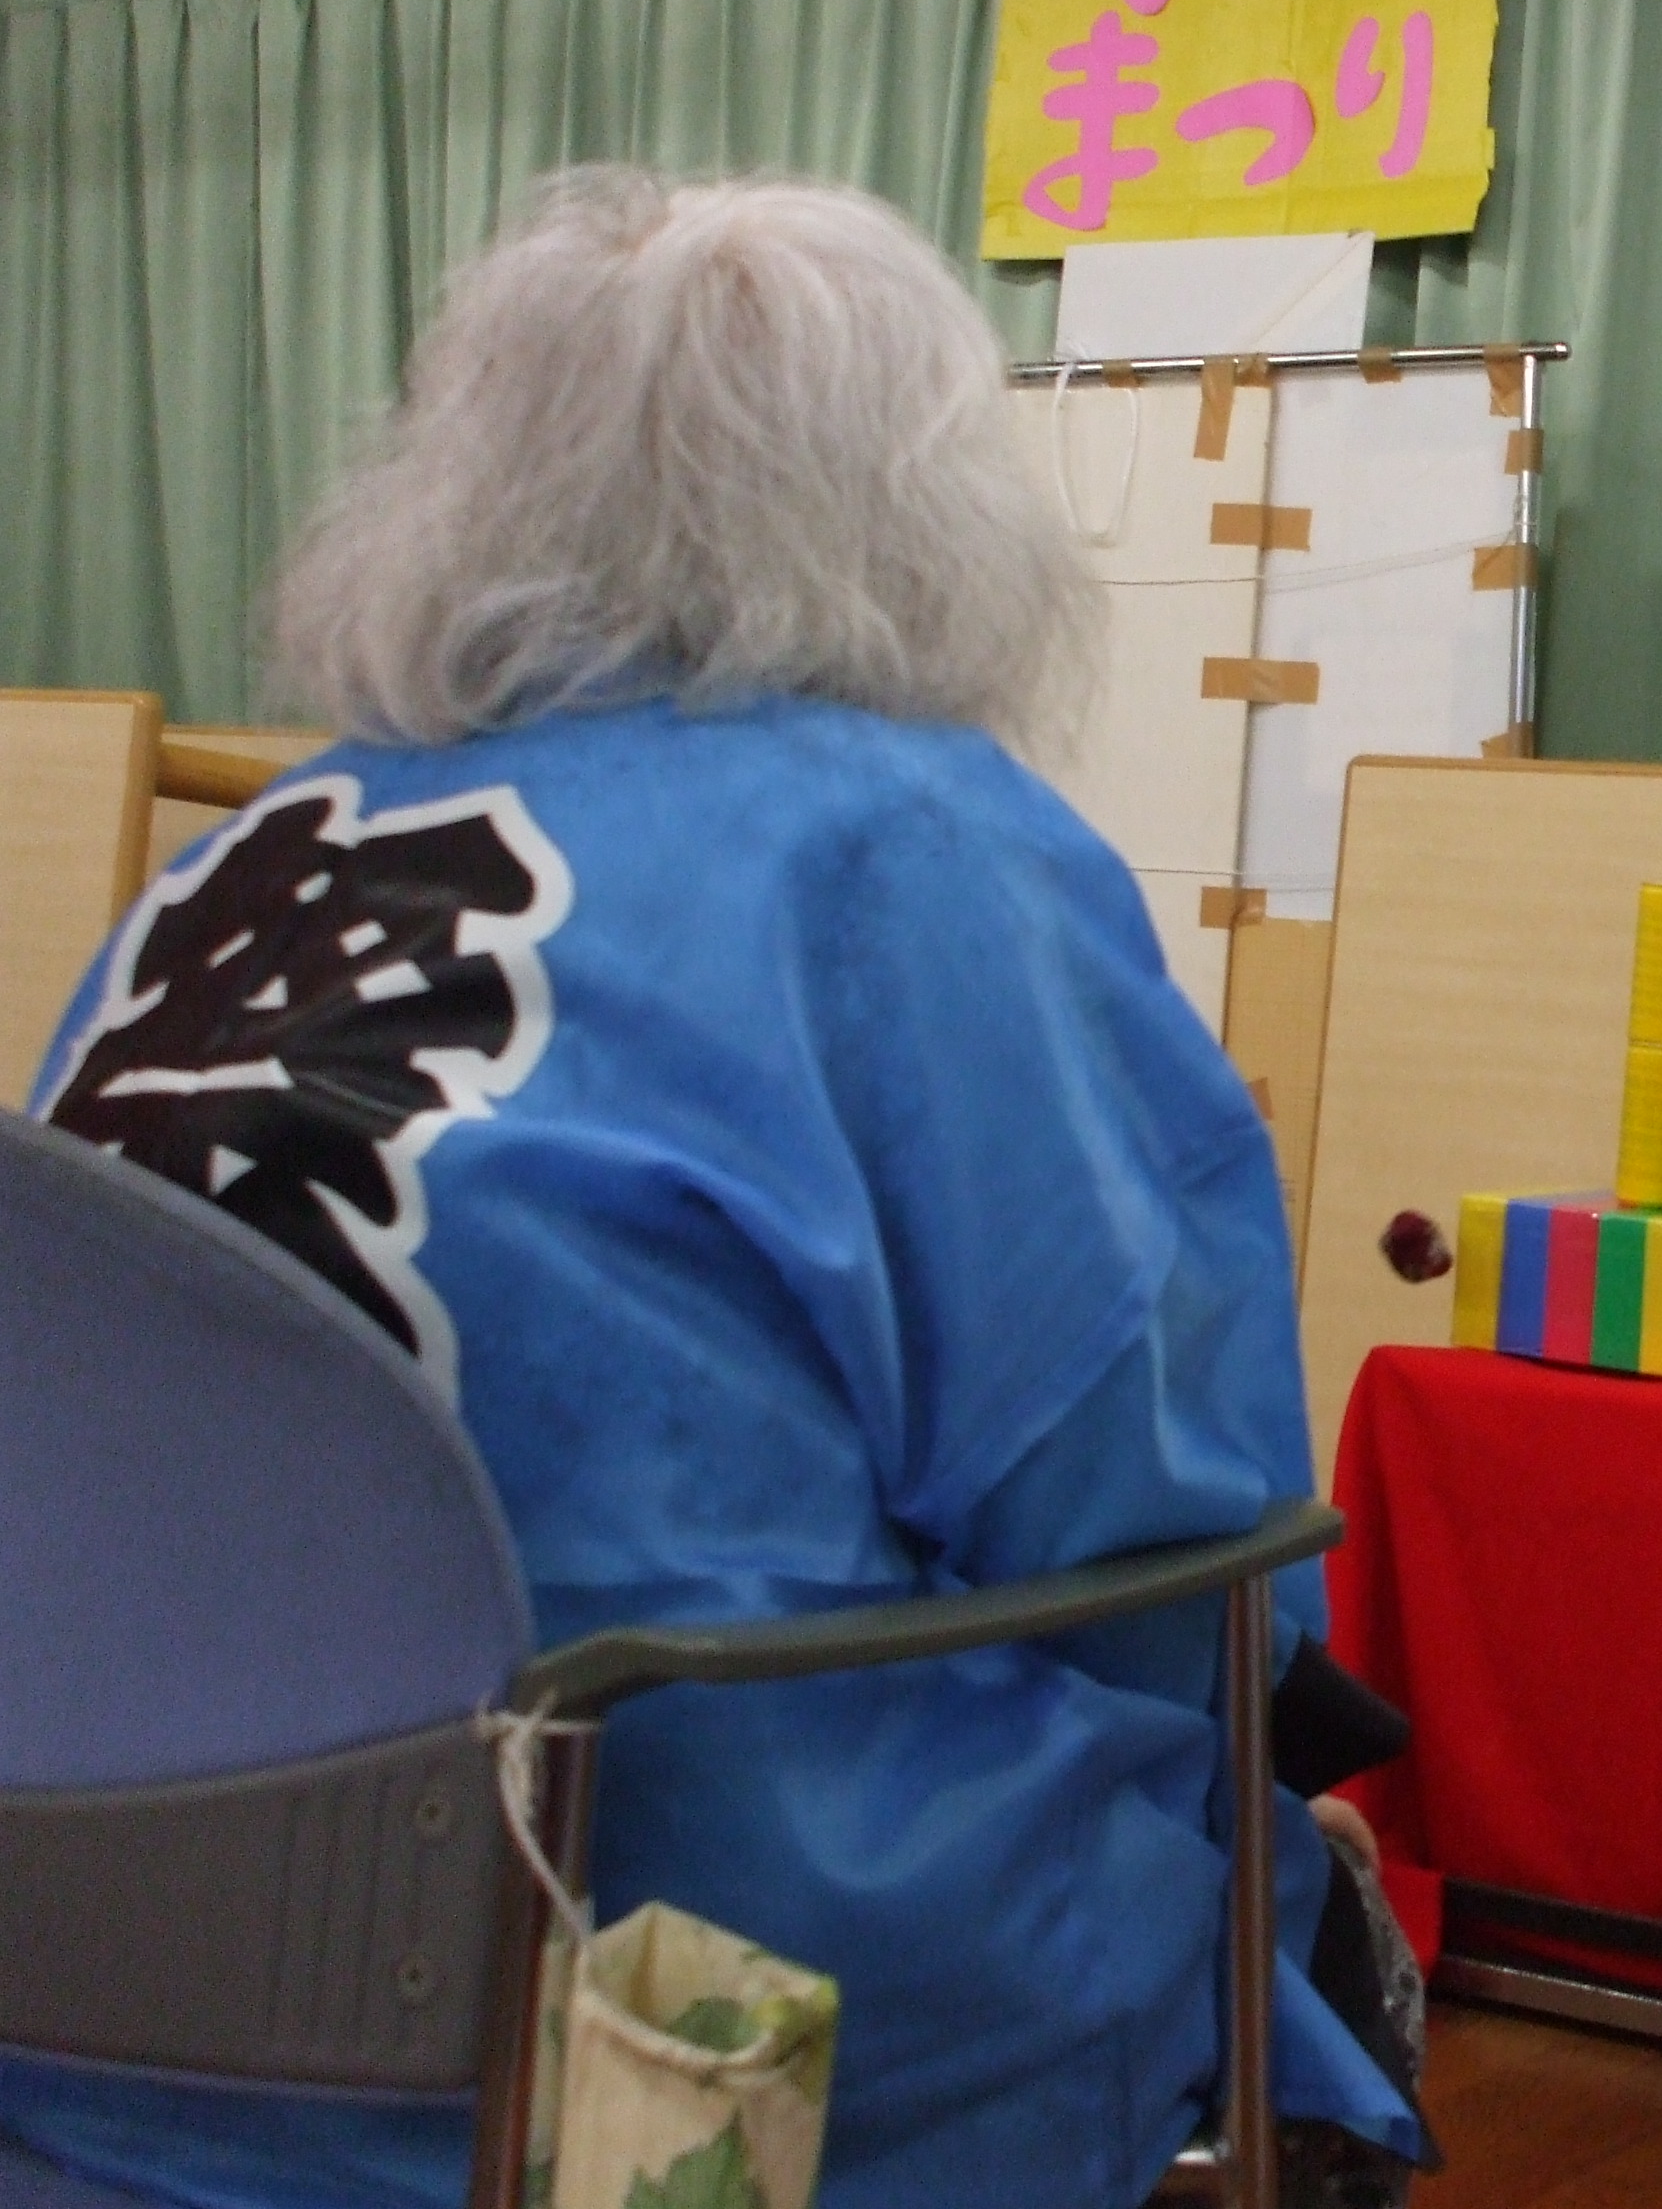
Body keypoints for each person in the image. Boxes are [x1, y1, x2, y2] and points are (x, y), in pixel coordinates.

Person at [5, 169, 1426, 2209]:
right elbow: (1161, 1519)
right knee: (1270, 1884)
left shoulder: (249, 848)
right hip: (639, 1982)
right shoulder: (925, 853)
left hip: (90, 1971)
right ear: (929, 505)